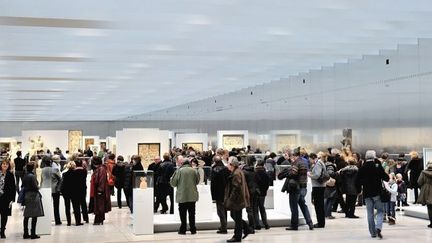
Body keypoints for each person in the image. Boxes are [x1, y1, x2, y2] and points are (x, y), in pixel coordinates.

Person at [356, 150, 389, 239]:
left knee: (369, 213)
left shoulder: (362, 167)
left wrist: (359, 190)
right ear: (374, 157)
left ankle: (373, 233)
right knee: (380, 211)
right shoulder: (377, 166)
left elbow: (357, 180)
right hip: (377, 192)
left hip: (367, 193)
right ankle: (378, 227)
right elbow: (386, 178)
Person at [280, 148, 314, 231]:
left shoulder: (296, 162)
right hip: (303, 187)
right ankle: (310, 223)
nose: (292, 158)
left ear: (295, 156)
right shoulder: (304, 162)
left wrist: (287, 173)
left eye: (292, 156)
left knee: (294, 207)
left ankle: (294, 225)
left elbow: (293, 173)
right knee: (303, 205)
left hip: (295, 188)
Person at [170, 156, 199, 235]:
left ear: (182, 163)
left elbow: (173, 183)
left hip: (182, 195)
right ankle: (193, 229)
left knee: (182, 213)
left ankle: (183, 229)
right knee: (192, 213)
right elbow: (197, 181)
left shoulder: (179, 171)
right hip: (192, 195)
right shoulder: (194, 170)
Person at [224, 157, 250, 242]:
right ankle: (246, 228)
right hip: (239, 199)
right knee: (235, 216)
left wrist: (231, 199)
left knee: (237, 218)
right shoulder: (238, 171)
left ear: (232, 165)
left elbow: (236, 188)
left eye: (228, 163)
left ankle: (237, 236)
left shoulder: (236, 174)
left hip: (237, 200)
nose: (227, 164)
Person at [22, 161, 44, 239]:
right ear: (33, 168)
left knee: (26, 215)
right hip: (33, 196)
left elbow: (22, 185)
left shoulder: (25, 175)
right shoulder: (32, 176)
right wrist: (38, 186)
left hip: (27, 195)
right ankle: (33, 233)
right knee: (34, 215)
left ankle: (25, 233)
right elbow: (35, 186)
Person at [211, 155, 230, 234]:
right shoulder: (226, 169)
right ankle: (224, 225)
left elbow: (213, 184)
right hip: (225, 192)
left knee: (220, 211)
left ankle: (223, 227)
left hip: (218, 194)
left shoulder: (214, 170)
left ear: (215, 161)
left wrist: (213, 196)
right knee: (224, 210)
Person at [90, 156, 111, 225]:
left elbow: (101, 180)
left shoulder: (101, 169)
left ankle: (99, 220)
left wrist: (100, 190)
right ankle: (99, 220)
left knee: (100, 205)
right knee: (99, 205)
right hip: (99, 189)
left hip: (100, 190)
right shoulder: (99, 168)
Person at [308, 152, 326, 228]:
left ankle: (320, 223)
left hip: (318, 186)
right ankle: (321, 222)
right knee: (320, 205)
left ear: (313, 158)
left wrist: (309, 175)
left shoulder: (318, 163)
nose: (310, 161)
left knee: (318, 206)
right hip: (320, 186)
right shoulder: (320, 163)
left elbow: (317, 175)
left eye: (310, 160)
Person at [61, 161, 82, 226]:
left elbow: (63, 184)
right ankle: (77, 221)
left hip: (66, 192)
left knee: (67, 207)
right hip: (75, 192)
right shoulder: (77, 174)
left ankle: (68, 222)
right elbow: (78, 184)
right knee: (76, 207)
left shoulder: (65, 174)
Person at [0, 160, 16, 238]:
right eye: (3, 164)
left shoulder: (10, 175)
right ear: (1, 165)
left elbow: (13, 187)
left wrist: (12, 199)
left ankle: (2, 231)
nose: (5, 165)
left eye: (6, 164)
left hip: (6, 198)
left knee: (4, 215)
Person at [254, 160, 270, 230]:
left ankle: (257, 224)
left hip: (256, 193)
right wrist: (264, 191)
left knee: (255, 209)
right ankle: (266, 224)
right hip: (263, 193)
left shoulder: (254, 173)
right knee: (262, 208)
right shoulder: (266, 174)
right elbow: (267, 184)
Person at [417, 161, 432, 228]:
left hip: (427, 191)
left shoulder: (423, 172)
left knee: (429, 207)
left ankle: (431, 223)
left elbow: (419, 182)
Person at [74, 159, 89, 223]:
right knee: (83, 203)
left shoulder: (74, 172)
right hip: (83, 188)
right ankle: (86, 218)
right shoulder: (84, 171)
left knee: (77, 204)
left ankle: (78, 220)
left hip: (76, 189)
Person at [51, 155, 62, 225]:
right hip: (55, 189)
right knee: (56, 205)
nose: (60, 159)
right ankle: (57, 220)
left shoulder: (52, 166)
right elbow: (60, 178)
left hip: (50, 188)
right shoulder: (55, 168)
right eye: (59, 158)